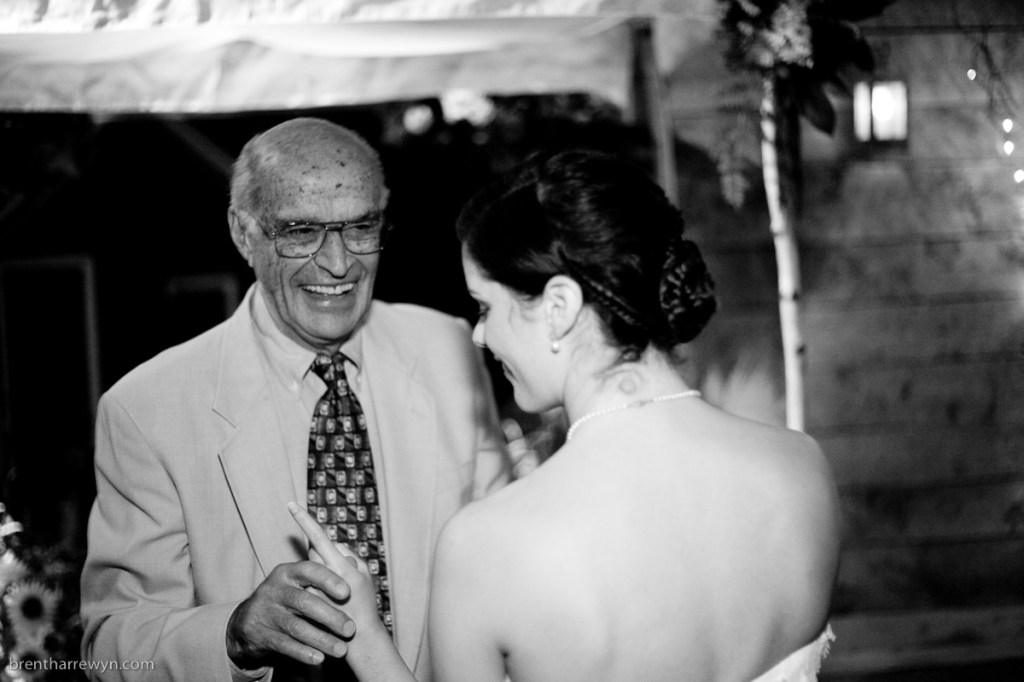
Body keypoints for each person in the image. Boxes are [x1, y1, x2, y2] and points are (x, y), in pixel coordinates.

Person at [293, 149, 842, 682]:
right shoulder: (802, 465)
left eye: (485, 307)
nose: (480, 335)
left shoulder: (486, 546)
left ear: (558, 307)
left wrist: (363, 634)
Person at [80, 117, 511, 682]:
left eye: (361, 227)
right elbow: (109, 648)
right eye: (301, 232)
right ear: (243, 232)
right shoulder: (146, 408)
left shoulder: (450, 347)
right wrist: (232, 634)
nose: (338, 264)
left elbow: (502, 562)